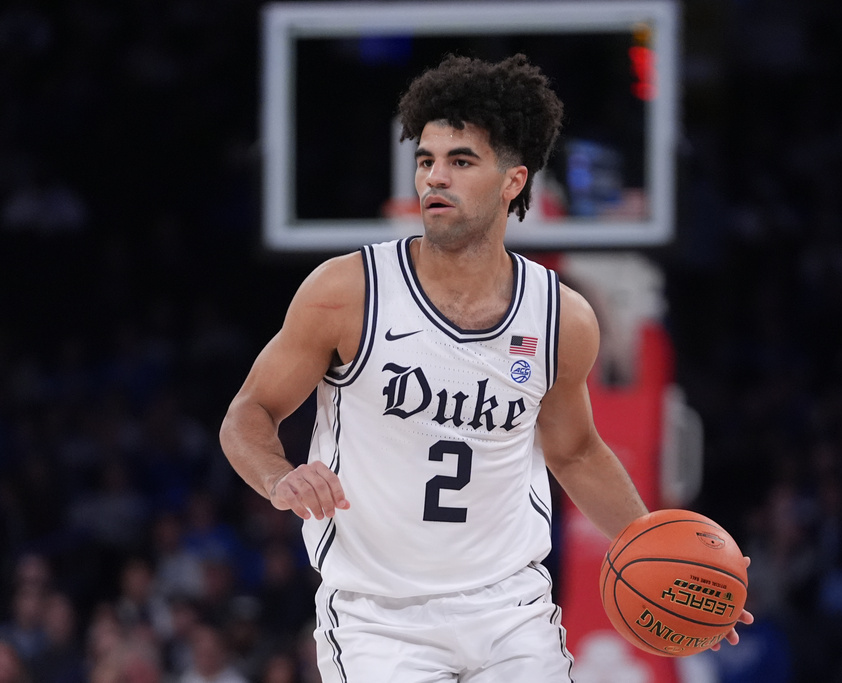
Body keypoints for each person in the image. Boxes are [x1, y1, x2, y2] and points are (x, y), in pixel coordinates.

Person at [220, 53, 752, 681]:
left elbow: (576, 452)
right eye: (427, 160)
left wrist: (661, 553)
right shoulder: (347, 291)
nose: (434, 179)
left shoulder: (561, 318)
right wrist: (278, 476)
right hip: (381, 617)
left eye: (460, 161)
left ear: (513, 182)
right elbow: (247, 414)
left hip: (510, 611)